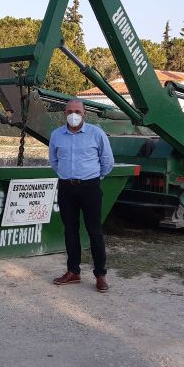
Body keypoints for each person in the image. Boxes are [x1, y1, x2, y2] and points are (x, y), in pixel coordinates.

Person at [48, 99, 114, 293]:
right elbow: (54, 160)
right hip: (67, 188)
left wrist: (93, 177)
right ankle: (73, 271)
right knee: (70, 230)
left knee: (95, 231)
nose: (73, 114)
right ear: (65, 113)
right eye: (69, 111)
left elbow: (107, 161)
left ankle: (100, 275)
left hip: (90, 187)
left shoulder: (96, 133)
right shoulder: (57, 135)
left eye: (77, 110)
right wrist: (66, 175)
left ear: (84, 113)